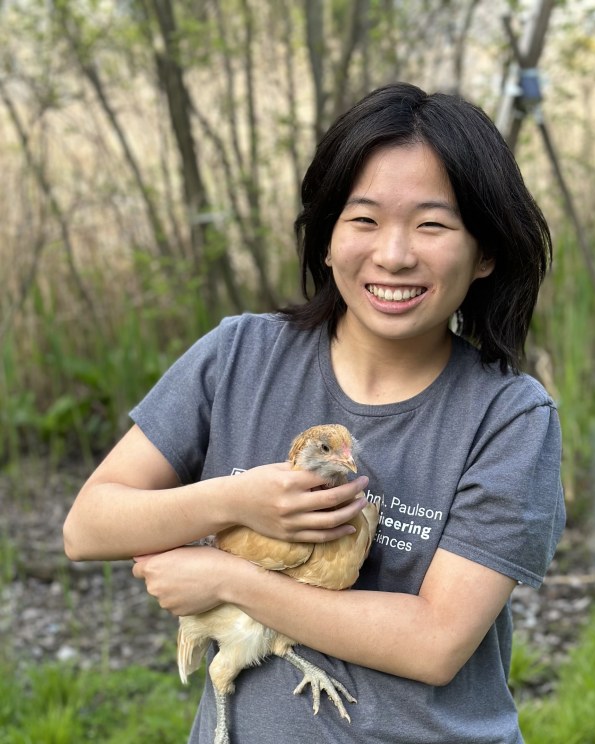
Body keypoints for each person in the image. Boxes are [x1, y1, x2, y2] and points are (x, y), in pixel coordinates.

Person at [63, 82, 565, 743]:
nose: (393, 254)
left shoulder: (507, 417)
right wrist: (239, 500)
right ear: (325, 240)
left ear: (486, 253)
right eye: (363, 220)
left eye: (432, 224)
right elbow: (88, 527)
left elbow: (435, 643)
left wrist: (225, 576)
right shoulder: (240, 356)